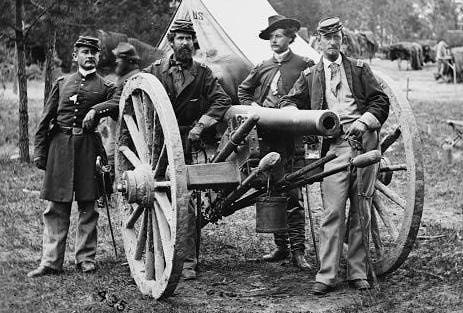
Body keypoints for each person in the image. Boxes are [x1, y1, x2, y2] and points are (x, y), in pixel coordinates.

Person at [279, 17, 390, 294]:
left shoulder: (360, 70)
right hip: (334, 149)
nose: (332, 42)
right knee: (332, 211)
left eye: (336, 37)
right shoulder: (310, 77)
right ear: (318, 39)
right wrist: (299, 117)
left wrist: (364, 121)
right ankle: (327, 275)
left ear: (341, 39)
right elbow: (288, 102)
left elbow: (380, 100)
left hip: (365, 143)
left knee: (361, 208)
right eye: (326, 37)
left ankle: (357, 272)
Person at [143, 19, 232, 280]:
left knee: (187, 203)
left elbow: (222, 100)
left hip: (187, 142)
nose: (184, 42)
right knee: (159, 200)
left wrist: (201, 125)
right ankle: (159, 255)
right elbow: (138, 92)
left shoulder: (203, 73)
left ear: (194, 43)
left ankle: (188, 262)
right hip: (158, 145)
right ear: (171, 42)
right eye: (179, 38)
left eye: (188, 38)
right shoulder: (155, 71)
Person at [28, 36, 117, 277]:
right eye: (84, 52)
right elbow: (46, 119)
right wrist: (40, 152)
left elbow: (119, 101)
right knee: (56, 206)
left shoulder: (106, 86)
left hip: (88, 147)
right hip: (60, 147)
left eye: (93, 52)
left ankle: (85, 258)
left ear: (99, 57)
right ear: (75, 56)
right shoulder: (62, 82)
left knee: (88, 205)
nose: (89, 56)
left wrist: (96, 109)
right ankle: (50, 261)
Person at [238, 15, 315, 270]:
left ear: (291, 38)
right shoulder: (261, 66)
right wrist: (254, 108)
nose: (274, 40)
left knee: (294, 194)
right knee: (272, 188)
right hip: (268, 138)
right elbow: (243, 91)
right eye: (271, 36)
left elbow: (314, 96)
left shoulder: (305, 65)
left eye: (279, 35)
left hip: (293, 139)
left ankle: (298, 251)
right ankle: (281, 246)